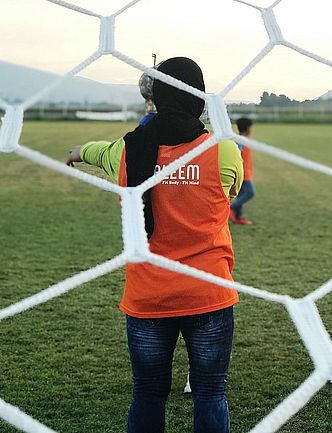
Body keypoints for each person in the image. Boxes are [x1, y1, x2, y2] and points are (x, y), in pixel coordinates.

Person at [66, 57, 243, 433]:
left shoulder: (127, 150)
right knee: (211, 392)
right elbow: (230, 193)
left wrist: (77, 151)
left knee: (147, 393)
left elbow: (98, 151)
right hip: (208, 292)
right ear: (198, 95)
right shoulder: (224, 151)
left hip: (148, 297)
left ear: (157, 96)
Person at [229, 118, 255, 225]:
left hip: (246, 173)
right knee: (250, 193)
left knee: (240, 195)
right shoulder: (240, 141)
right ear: (247, 128)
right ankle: (231, 208)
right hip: (244, 174)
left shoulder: (243, 140)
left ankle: (238, 217)